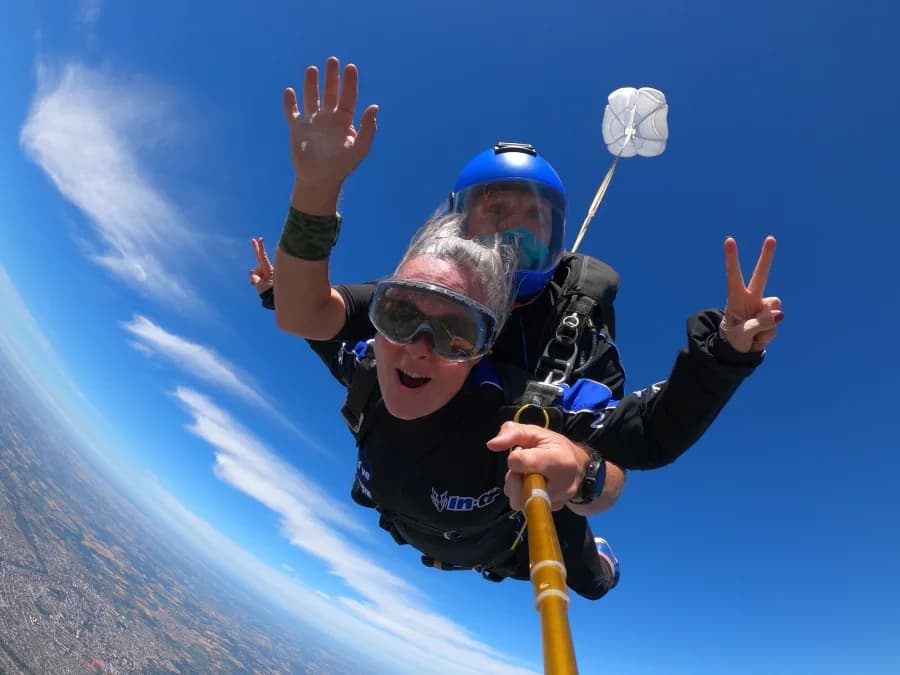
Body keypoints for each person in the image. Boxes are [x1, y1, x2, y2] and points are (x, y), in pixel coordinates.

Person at [267, 56, 784, 512]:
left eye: (528, 231)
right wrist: (317, 189)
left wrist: (721, 354)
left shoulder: (571, 327)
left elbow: (635, 442)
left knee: (587, 567)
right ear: (455, 228)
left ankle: (594, 561)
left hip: (501, 522)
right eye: (492, 221)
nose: (506, 252)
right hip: (412, 489)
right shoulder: (428, 291)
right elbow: (305, 314)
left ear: (558, 245)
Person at [293, 212, 626, 599]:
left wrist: (585, 476)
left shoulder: (514, 416)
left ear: (481, 350)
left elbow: (609, 471)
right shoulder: (373, 369)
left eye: (456, 336)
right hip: (425, 529)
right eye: (399, 318)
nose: (418, 348)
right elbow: (313, 325)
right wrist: (276, 291)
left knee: (591, 582)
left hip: (511, 552)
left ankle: (598, 559)